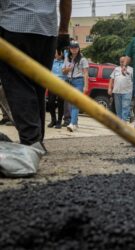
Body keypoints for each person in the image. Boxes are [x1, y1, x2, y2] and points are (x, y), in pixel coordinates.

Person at [0, 0, 71, 147]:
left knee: (18, 85)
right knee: (38, 86)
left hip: (14, 26)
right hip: (47, 30)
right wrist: (63, 30)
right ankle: (37, 142)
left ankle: (31, 141)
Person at [62, 41, 89, 132]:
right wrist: (68, 69)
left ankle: (72, 124)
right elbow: (63, 71)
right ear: (70, 49)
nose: (74, 49)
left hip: (79, 81)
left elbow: (85, 73)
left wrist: (86, 86)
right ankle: (75, 123)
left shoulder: (83, 59)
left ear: (78, 48)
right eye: (72, 48)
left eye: (76, 48)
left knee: (75, 103)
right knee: (70, 103)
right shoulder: (67, 58)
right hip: (69, 81)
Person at [108, 56, 134, 122]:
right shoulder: (116, 69)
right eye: (120, 62)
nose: (122, 63)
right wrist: (109, 88)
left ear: (127, 62)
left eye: (123, 61)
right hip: (117, 91)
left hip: (127, 92)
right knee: (118, 108)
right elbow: (112, 79)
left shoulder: (131, 70)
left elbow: (134, 81)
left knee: (125, 107)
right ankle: (120, 121)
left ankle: (123, 121)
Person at [47, 50, 66, 129]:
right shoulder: (51, 62)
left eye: (59, 52)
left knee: (60, 103)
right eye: (56, 52)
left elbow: (66, 73)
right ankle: (53, 120)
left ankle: (59, 121)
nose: (57, 54)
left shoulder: (65, 62)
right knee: (51, 102)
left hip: (62, 84)